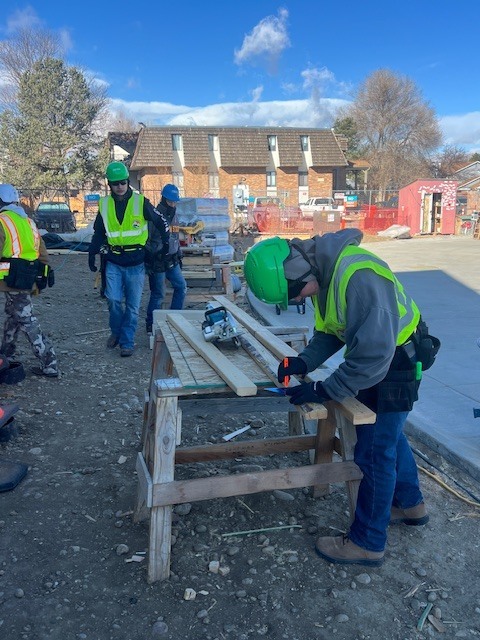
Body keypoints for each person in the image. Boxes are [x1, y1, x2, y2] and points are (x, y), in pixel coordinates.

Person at [244, 229, 440, 566]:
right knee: (389, 436)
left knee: (375, 452)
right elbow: (331, 330)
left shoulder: (359, 277)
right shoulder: (323, 270)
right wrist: (304, 360)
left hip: (394, 364)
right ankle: (411, 505)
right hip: (384, 360)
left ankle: (368, 542)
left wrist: (324, 390)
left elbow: (370, 359)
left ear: (299, 272)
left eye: (295, 295)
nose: (298, 302)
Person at [88, 162, 170, 357]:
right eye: (115, 183)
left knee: (132, 306)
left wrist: (165, 243)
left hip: (136, 263)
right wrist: (92, 253)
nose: (120, 187)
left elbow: (161, 222)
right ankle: (116, 332)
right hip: (114, 261)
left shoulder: (141, 202)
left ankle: (127, 341)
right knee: (114, 301)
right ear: (109, 184)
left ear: (127, 182)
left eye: (123, 182)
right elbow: (98, 232)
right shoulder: (105, 204)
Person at [0, 184, 58, 377]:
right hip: (26, 277)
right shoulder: (28, 221)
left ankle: (49, 362)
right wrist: (45, 272)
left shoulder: (2, 221)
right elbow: (41, 251)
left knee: (26, 320)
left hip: (10, 279)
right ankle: (5, 354)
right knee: (13, 316)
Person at [145, 183, 186, 334]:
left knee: (181, 287)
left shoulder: (174, 215)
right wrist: (150, 260)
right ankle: (151, 324)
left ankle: (174, 319)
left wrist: (178, 254)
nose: (173, 204)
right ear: (163, 199)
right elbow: (147, 240)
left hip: (172, 259)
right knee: (158, 293)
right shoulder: (154, 216)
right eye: (170, 201)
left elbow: (175, 237)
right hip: (158, 261)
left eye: (175, 202)